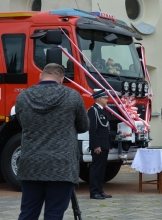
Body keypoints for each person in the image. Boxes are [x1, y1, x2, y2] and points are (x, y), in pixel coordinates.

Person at [15, 63, 90, 219]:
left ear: (40, 76)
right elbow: (83, 126)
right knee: (54, 214)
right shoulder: (72, 96)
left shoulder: (23, 97)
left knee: (28, 213)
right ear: (61, 79)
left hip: (31, 164)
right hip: (61, 166)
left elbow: (22, 124)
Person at [88, 90, 113, 200]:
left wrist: (108, 145)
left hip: (104, 144)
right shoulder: (93, 111)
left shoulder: (102, 111)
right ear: (99, 99)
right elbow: (92, 130)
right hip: (98, 145)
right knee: (96, 169)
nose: (107, 100)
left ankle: (100, 190)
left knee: (102, 169)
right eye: (105, 98)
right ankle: (94, 192)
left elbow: (106, 129)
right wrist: (96, 145)